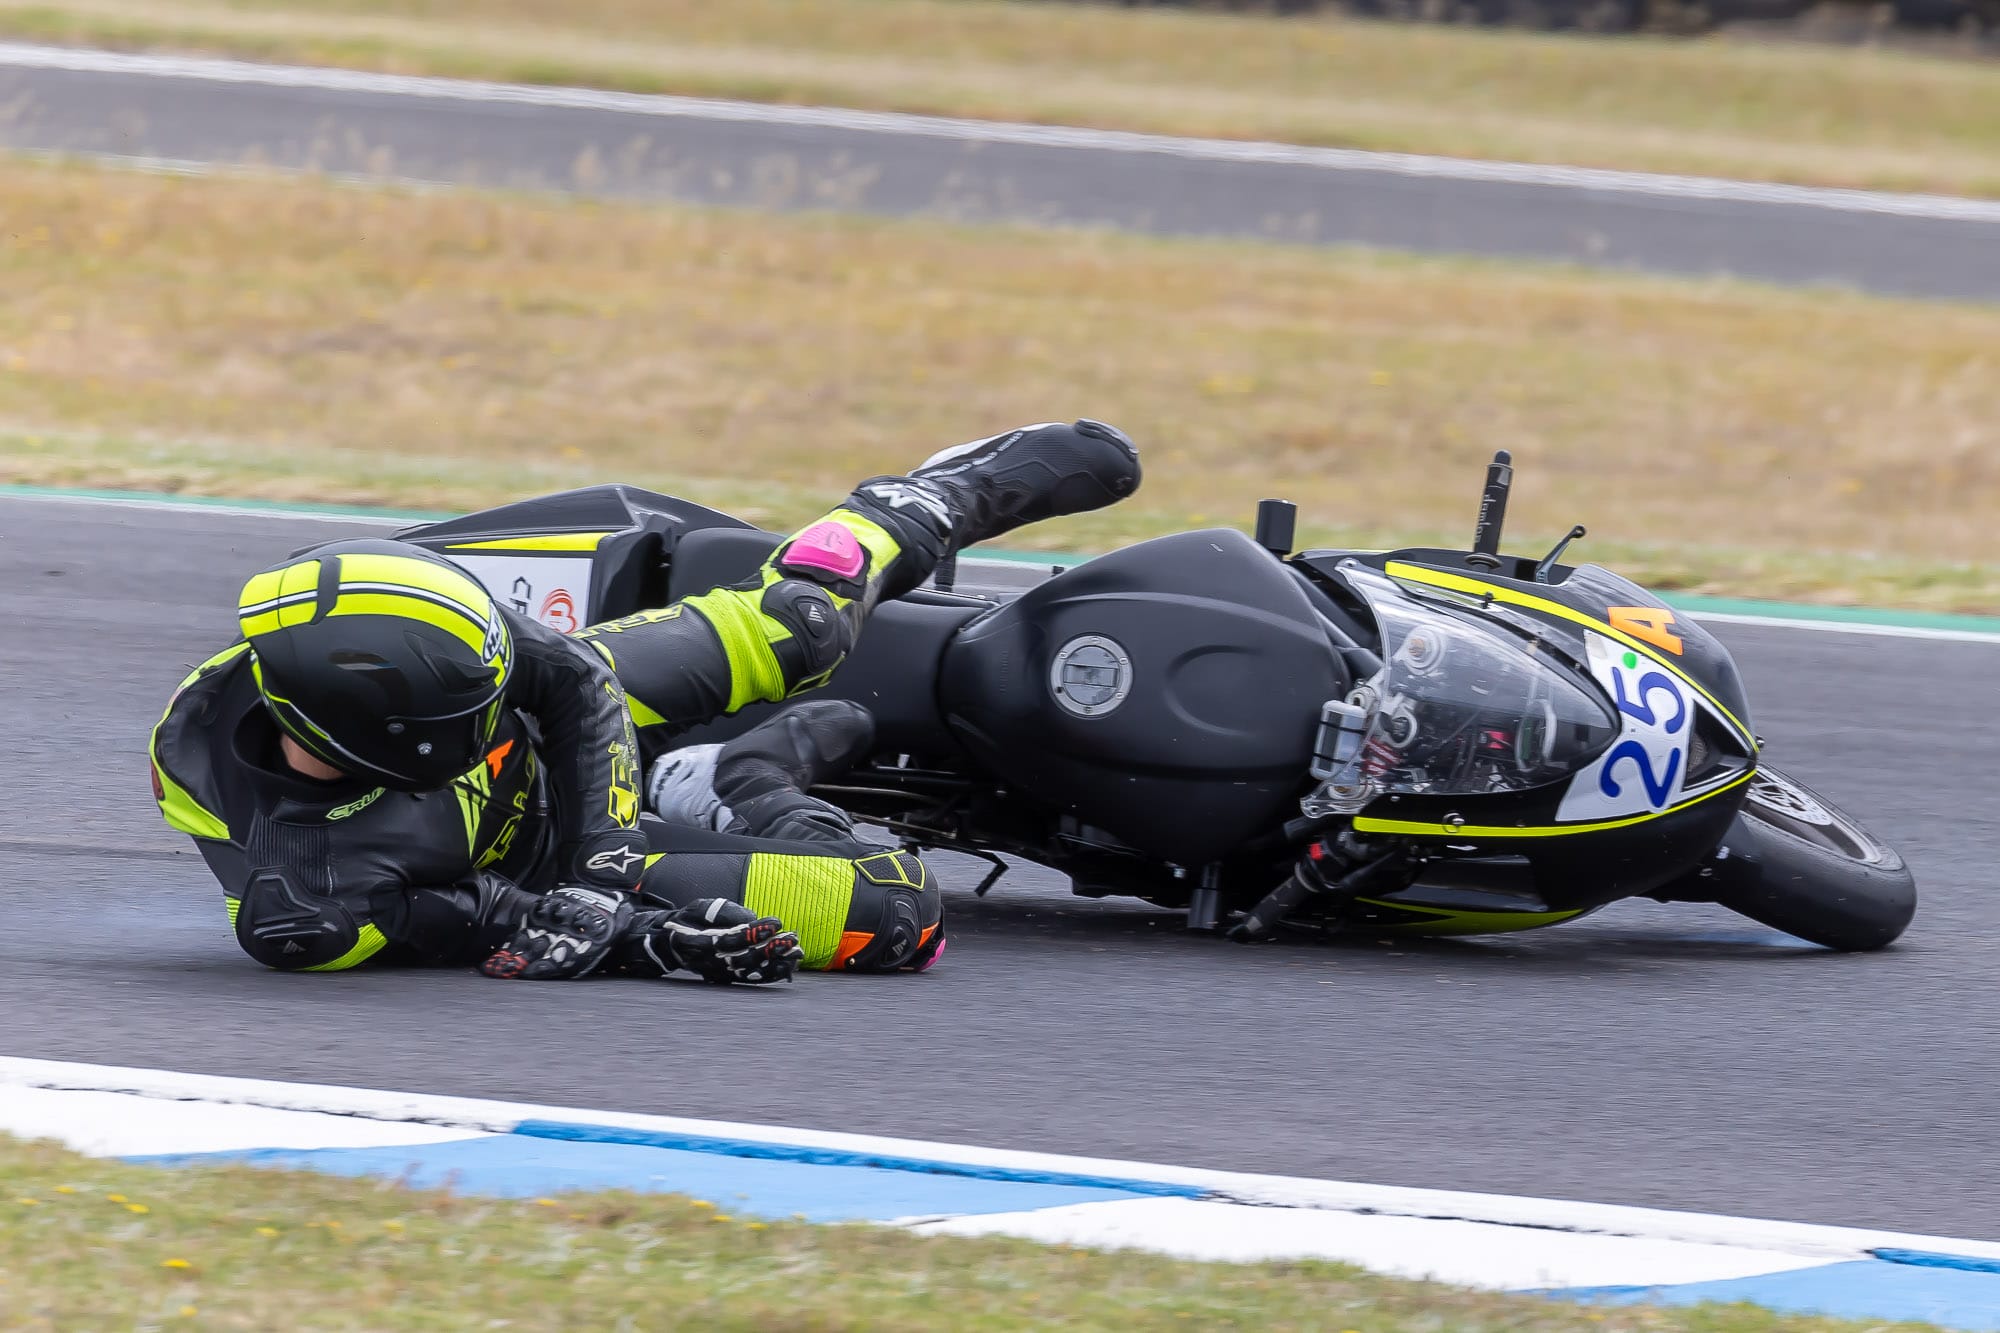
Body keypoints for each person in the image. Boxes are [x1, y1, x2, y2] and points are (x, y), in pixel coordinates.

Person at [150, 422, 1142, 982]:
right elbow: (487, 918)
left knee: (798, 623)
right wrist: (639, 934)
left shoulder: (363, 627)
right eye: (469, 715)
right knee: (895, 913)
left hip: (575, 823)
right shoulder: (312, 902)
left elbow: (570, 677)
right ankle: (749, 780)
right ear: (392, 740)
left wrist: (604, 864)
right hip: (527, 858)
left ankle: (922, 500)